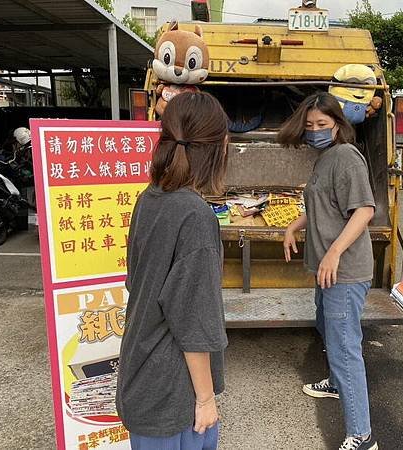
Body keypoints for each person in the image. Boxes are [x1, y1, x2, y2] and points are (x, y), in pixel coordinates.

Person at [116, 92, 229, 450]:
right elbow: (195, 322)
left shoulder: (149, 197)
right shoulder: (195, 216)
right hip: (173, 391)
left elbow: (135, 280)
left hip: (141, 372)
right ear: (219, 147)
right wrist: (206, 398)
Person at [278, 92, 378, 450]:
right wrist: (294, 226)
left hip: (345, 272)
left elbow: (364, 211)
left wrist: (334, 252)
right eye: (310, 126)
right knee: (329, 329)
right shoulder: (325, 158)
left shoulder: (347, 157)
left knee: (344, 348)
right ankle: (337, 384)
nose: (316, 131)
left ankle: (363, 437)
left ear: (338, 124)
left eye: (322, 124)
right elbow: (322, 205)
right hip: (327, 269)